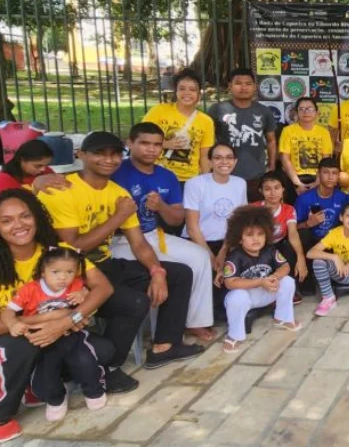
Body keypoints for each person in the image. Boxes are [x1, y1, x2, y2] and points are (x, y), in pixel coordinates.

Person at [39, 132, 202, 381]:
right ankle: (107, 369)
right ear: (81, 155)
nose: (109, 159)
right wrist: (117, 217)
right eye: (99, 153)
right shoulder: (62, 190)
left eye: (114, 154)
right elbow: (73, 248)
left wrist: (156, 271)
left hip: (105, 264)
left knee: (178, 273)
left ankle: (165, 346)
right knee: (135, 302)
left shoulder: (118, 194)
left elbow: (138, 243)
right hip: (71, 275)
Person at [0, 189, 116, 440]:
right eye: (6, 221)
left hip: (62, 333)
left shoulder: (58, 251)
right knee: (21, 347)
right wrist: (48, 319)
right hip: (21, 338)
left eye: (24, 216)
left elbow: (103, 287)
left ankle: (40, 384)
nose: (18, 225)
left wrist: (68, 319)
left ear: (36, 217)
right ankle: (4, 416)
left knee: (104, 351)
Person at [111, 123, 215, 341]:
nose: (152, 149)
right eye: (145, 143)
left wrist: (161, 207)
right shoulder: (115, 171)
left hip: (153, 235)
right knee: (177, 270)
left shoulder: (167, 176)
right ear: (131, 144)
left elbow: (177, 218)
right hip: (120, 241)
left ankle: (194, 322)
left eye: (157, 144)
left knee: (200, 256)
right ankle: (165, 333)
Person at [1, 246, 107, 421]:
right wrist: (13, 323)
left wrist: (83, 293)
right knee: (47, 370)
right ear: (43, 271)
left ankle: (94, 389)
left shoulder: (75, 285)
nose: (62, 277)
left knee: (84, 359)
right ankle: (56, 399)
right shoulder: (30, 290)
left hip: (69, 333)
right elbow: (8, 312)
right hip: (42, 337)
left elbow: (90, 293)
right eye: (55, 272)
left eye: (69, 272)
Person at [220, 205, 300, 353]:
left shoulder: (270, 250)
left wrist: (275, 277)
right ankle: (234, 335)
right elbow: (230, 283)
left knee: (287, 281)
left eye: (260, 234)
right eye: (249, 235)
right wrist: (260, 282)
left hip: (266, 292)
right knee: (237, 297)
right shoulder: (235, 256)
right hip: (246, 298)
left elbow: (286, 267)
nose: (256, 239)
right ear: (239, 238)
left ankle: (282, 317)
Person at [207, 67, 277, 201]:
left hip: (255, 176)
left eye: (248, 84)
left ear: (255, 87)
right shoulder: (217, 110)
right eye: (238, 83)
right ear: (230, 86)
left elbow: (271, 140)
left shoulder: (264, 111)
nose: (243, 87)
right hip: (225, 174)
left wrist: (272, 165)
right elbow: (207, 141)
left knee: (254, 217)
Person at [142, 67, 215, 184]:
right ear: (176, 91)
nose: (187, 93)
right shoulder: (159, 111)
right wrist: (165, 144)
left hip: (188, 180)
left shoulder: (206, 121)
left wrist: (205, 181)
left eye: (192, 89)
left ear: (199, 94)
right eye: (182, 89)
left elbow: (204, 156)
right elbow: (141, 138)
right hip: (157, 174)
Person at [183, 143, 247, 274]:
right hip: (199, 242)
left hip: (227, 242)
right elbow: (192, 228)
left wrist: (224, 250)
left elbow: (239, 221)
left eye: (229, 157)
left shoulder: (240, 183)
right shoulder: (195, 184)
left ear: (235, 162)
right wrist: (210, 257)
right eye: (218, 158)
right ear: (210, 162)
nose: (224, 162)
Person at [254, 172, 308, 297]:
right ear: (260, 191)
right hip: (259, 247)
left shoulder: (288, 209)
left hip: (278, 246)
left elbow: (293, 234)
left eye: (277, 188)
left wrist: (301, 258)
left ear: (283, 189)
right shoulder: (254, 209)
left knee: (290, 247)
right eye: (267, 189)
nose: (273, 193)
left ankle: (292, 290)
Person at [294, 157, 347, 271]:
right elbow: (292, 228)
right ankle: (307, 281)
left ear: (338, 176)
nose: (330, 177)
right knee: (303, 234)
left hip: (334, 242)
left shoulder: (343, 198)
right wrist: (308, 224)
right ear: (318, 174)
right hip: (312, 243)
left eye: (334, 173)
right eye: (326, 172)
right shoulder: (304, 199)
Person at [278, 97, 334, 194]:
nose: (305, 112)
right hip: (294, 177)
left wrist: (317, 182)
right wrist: (297, 183)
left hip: (318, 177)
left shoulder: (324, 132)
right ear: (296, 113)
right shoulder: (287, 131)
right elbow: (285, 159)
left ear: (317, 113)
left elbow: (326, 160)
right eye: (302, 109)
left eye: (309, 109)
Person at [0, 140, 66, 193]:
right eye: (38, 166)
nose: (43, 169)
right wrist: (35, 188)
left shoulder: (47, 171)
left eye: (46, 165)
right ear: (22, 160)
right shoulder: (4, 180)